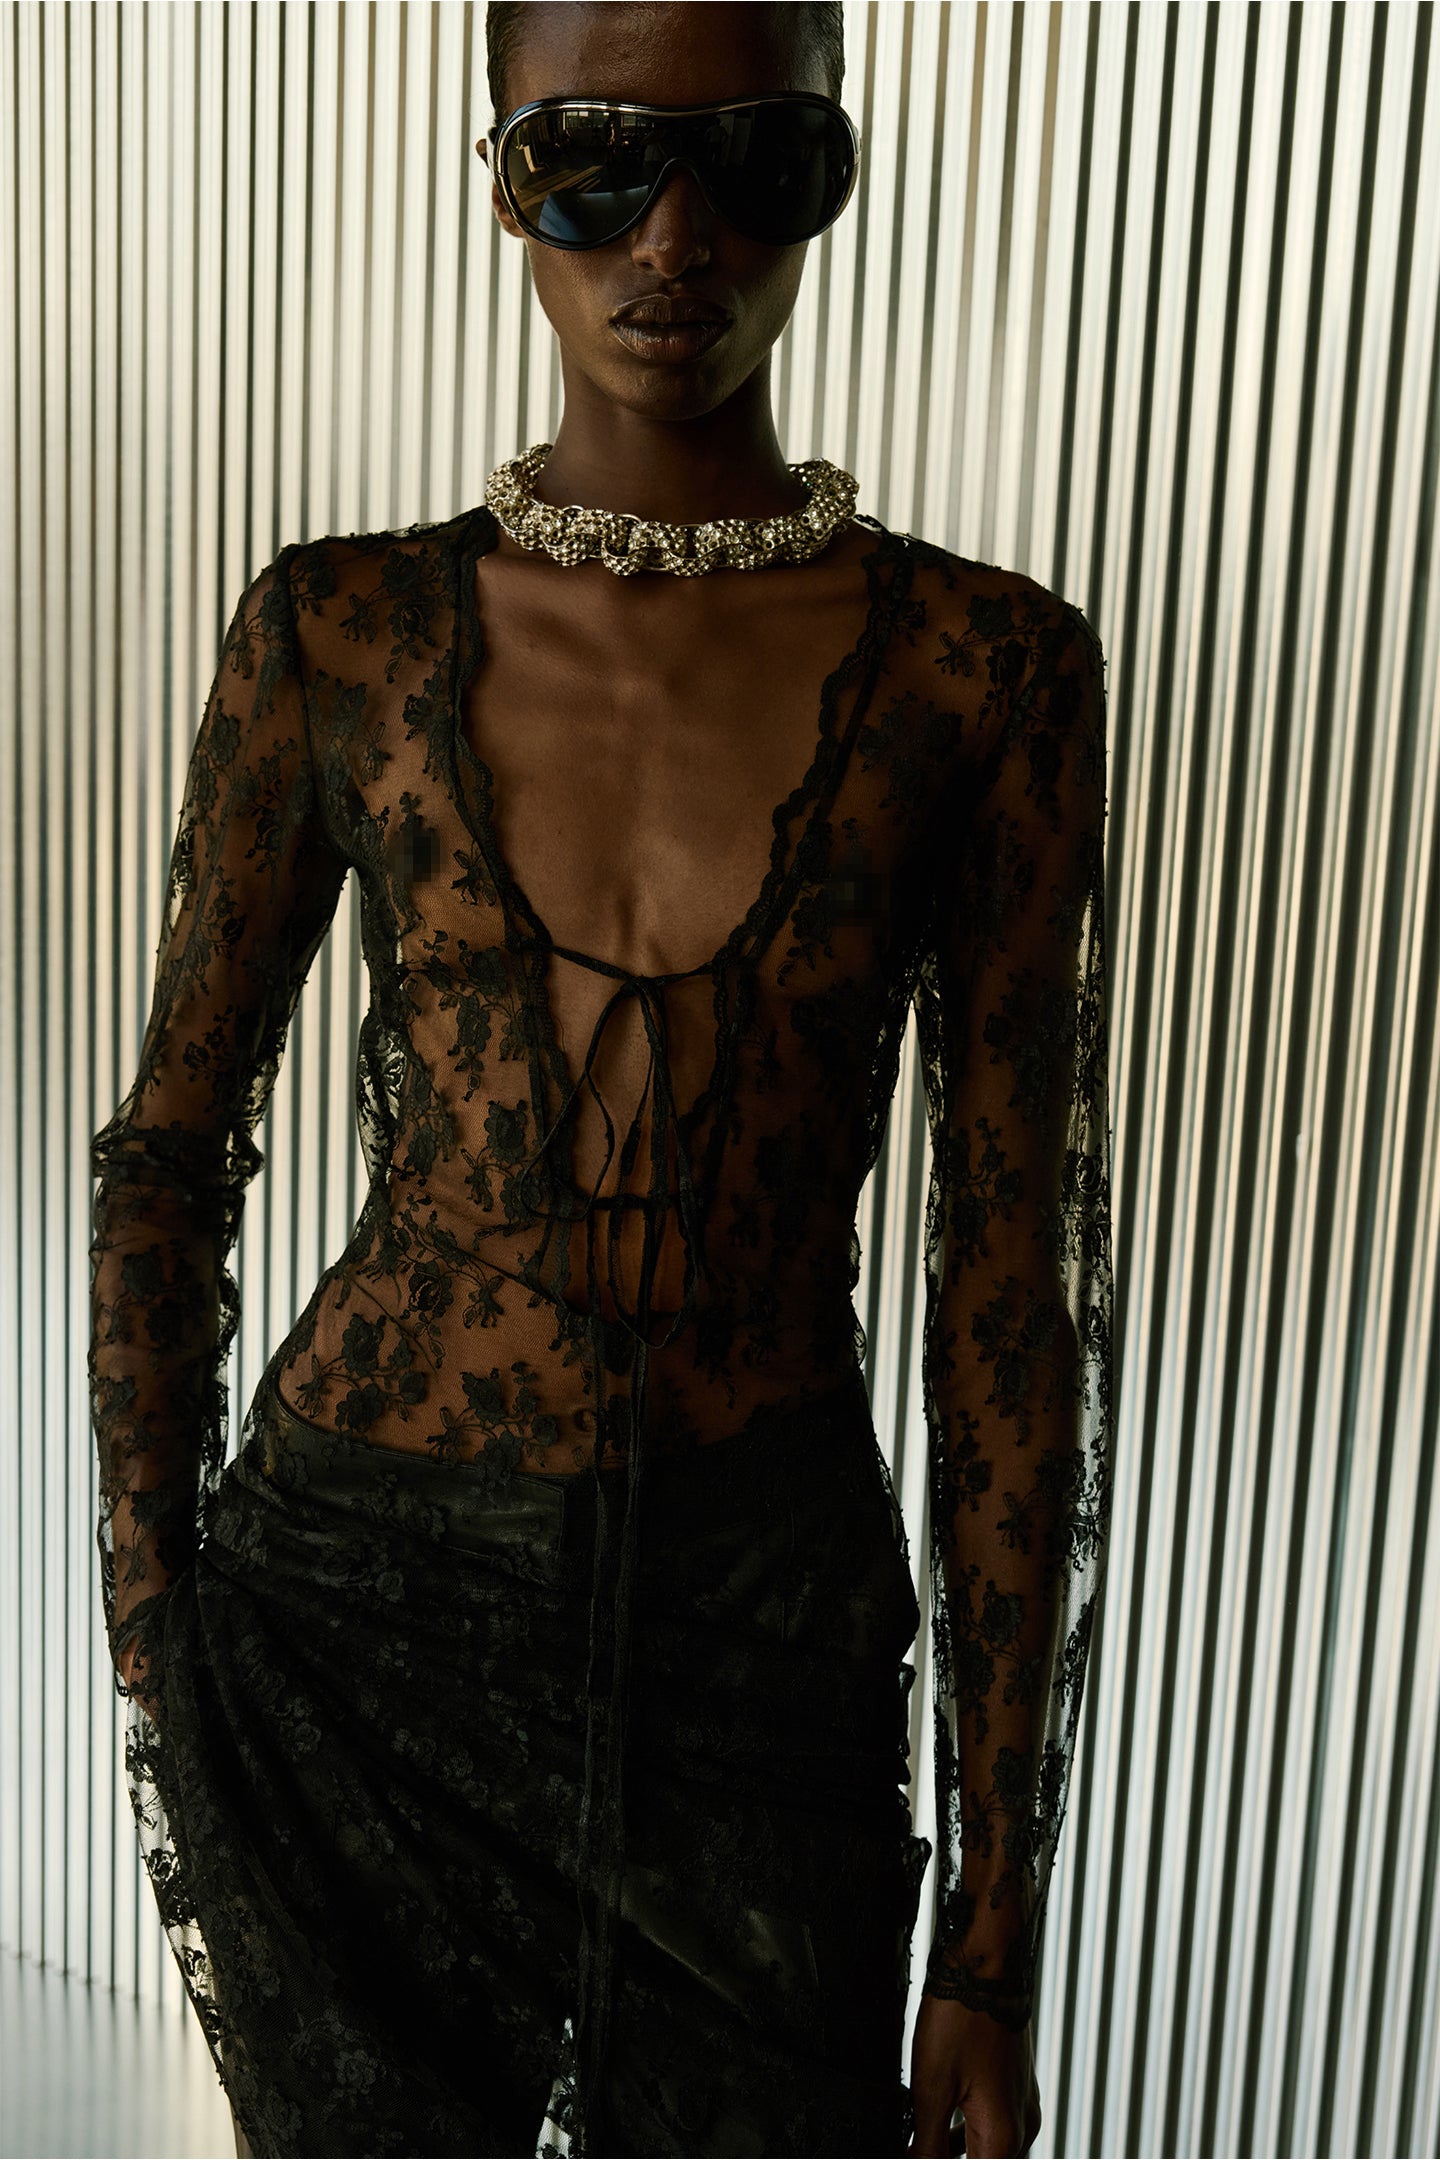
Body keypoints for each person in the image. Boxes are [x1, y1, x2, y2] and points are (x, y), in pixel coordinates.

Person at [86, 5, 1113, 2156]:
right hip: (358, 1617)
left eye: (758, 160)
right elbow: (172, 1148)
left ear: (831, 177)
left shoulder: (985, 670)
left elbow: (1009, 1298)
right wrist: (156, 1623)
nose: (674, 235)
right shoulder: (338, 634)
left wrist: (992, 1932)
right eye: (593, 160)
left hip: (764, 1642)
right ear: (500, 178)